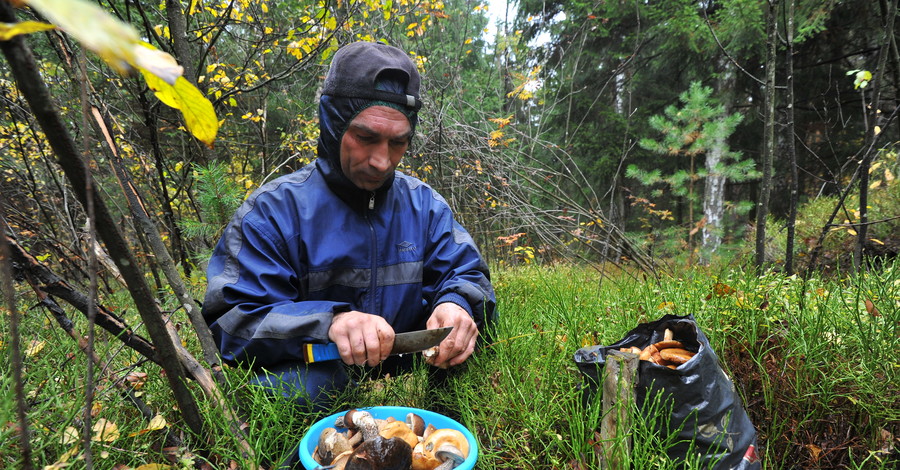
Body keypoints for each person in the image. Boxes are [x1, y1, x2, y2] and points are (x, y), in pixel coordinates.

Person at [201, 41, 496, 408]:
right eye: (366, 137)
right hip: (317, 371)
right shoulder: (273, 212)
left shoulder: (425, 206)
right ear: (332, 122)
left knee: (476, 343)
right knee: (303, 391)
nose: (381, 161)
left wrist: (458, 306)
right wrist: (328, 324)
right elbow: (231, 321)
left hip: (412, 374)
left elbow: (467, 275)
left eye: (398, 142)